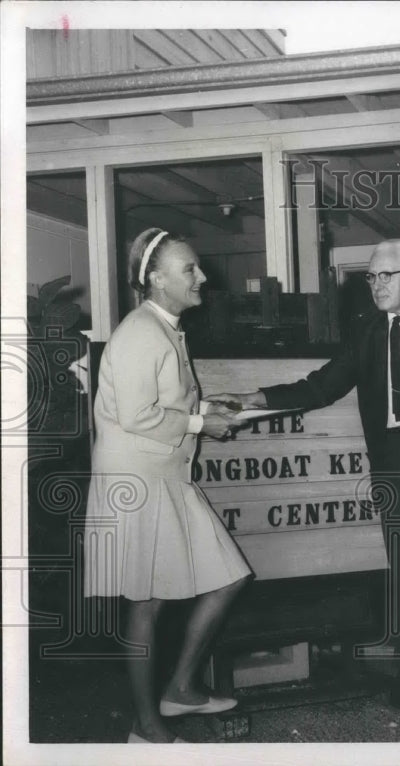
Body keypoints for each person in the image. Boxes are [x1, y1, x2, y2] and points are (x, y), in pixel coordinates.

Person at [209, 239, 400, 719]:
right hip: (391, 467)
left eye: (386, 276)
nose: (376, 285)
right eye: (371, 277)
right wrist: (251, 398)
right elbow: (322, 386)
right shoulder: (367, 330)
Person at [83, 227, 252, 744]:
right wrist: (202, 424)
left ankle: (179, 687)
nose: (202, 277)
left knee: (228, 577)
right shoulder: (141, 331)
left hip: (165, 475)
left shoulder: (165, 328)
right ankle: (147, 728)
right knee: (146, 602)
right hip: (135, 481)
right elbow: (136, 415)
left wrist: (205, 407)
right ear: (156, 279)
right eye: (190, 270)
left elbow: (162, 403)